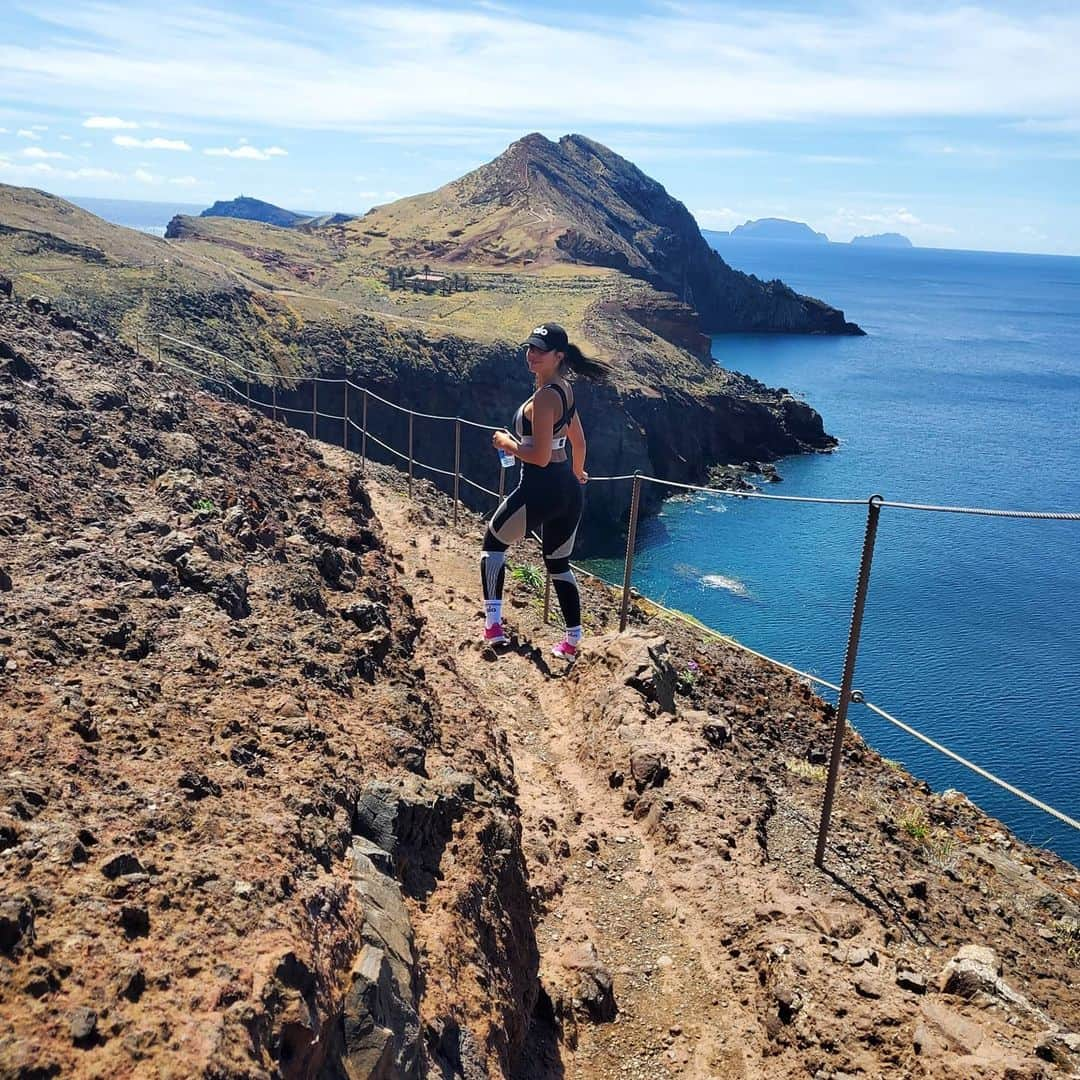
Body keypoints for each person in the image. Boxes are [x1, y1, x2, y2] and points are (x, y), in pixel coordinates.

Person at [481, 322, 601, 660]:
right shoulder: (564, 389)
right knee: (558, 563)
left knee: (493, 546)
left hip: (540, 487)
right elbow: (578, 440)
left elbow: (540, 456)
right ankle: (572, 642)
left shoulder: (546, 396)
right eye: (530, 347)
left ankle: (493, 626)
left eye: (539, 350)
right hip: (568, 490)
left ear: (558, 356)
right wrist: (578, 473)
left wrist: (507, 443)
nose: (531, 354)